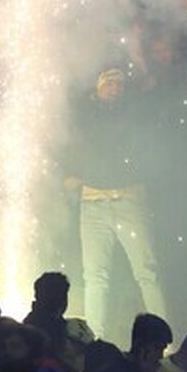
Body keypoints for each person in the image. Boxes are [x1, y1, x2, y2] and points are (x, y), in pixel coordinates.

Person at [66, 68, 170, 340]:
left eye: (119, 83)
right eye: (108, 83)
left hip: (128, 199)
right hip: (92, 201)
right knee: (95, 276)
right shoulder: (85, 114)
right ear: (97, 87)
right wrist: (70, 174)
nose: (114, 87)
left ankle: (164, 343)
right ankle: (95, 340)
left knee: (147, 271)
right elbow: (73, 143)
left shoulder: (134, 112)